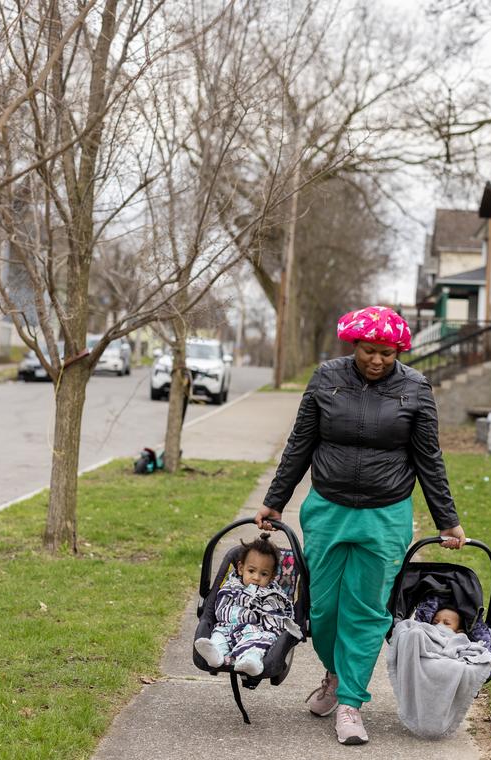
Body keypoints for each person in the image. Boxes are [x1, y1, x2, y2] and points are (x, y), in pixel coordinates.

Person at [255, 305, 466, 746]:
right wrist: (275, 501)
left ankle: (351, 701)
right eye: (370, 350)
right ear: (355, 344)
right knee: (323, 609)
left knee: (367, 610)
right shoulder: (326, 378)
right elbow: (300, 443)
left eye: (387, 354)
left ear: (399, 352)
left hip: (384, 515)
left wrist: (447, 519)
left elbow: (429, 458)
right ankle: (334, 675)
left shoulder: (415, 388)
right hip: (327, 509)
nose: (377, 360)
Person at [193, 534, 295, 677]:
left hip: (256, 631)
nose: (256, 578)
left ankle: (251, 661)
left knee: (259, 643)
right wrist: (238, 616)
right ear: (241, 568)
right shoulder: (231, 586)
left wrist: (257, 618)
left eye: (264, 574)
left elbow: (275, 617)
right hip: (228, 627)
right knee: (219, 635)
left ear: (272, 577)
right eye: (251, 571)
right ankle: (216, 654)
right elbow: (221, 609)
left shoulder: (271, 593)